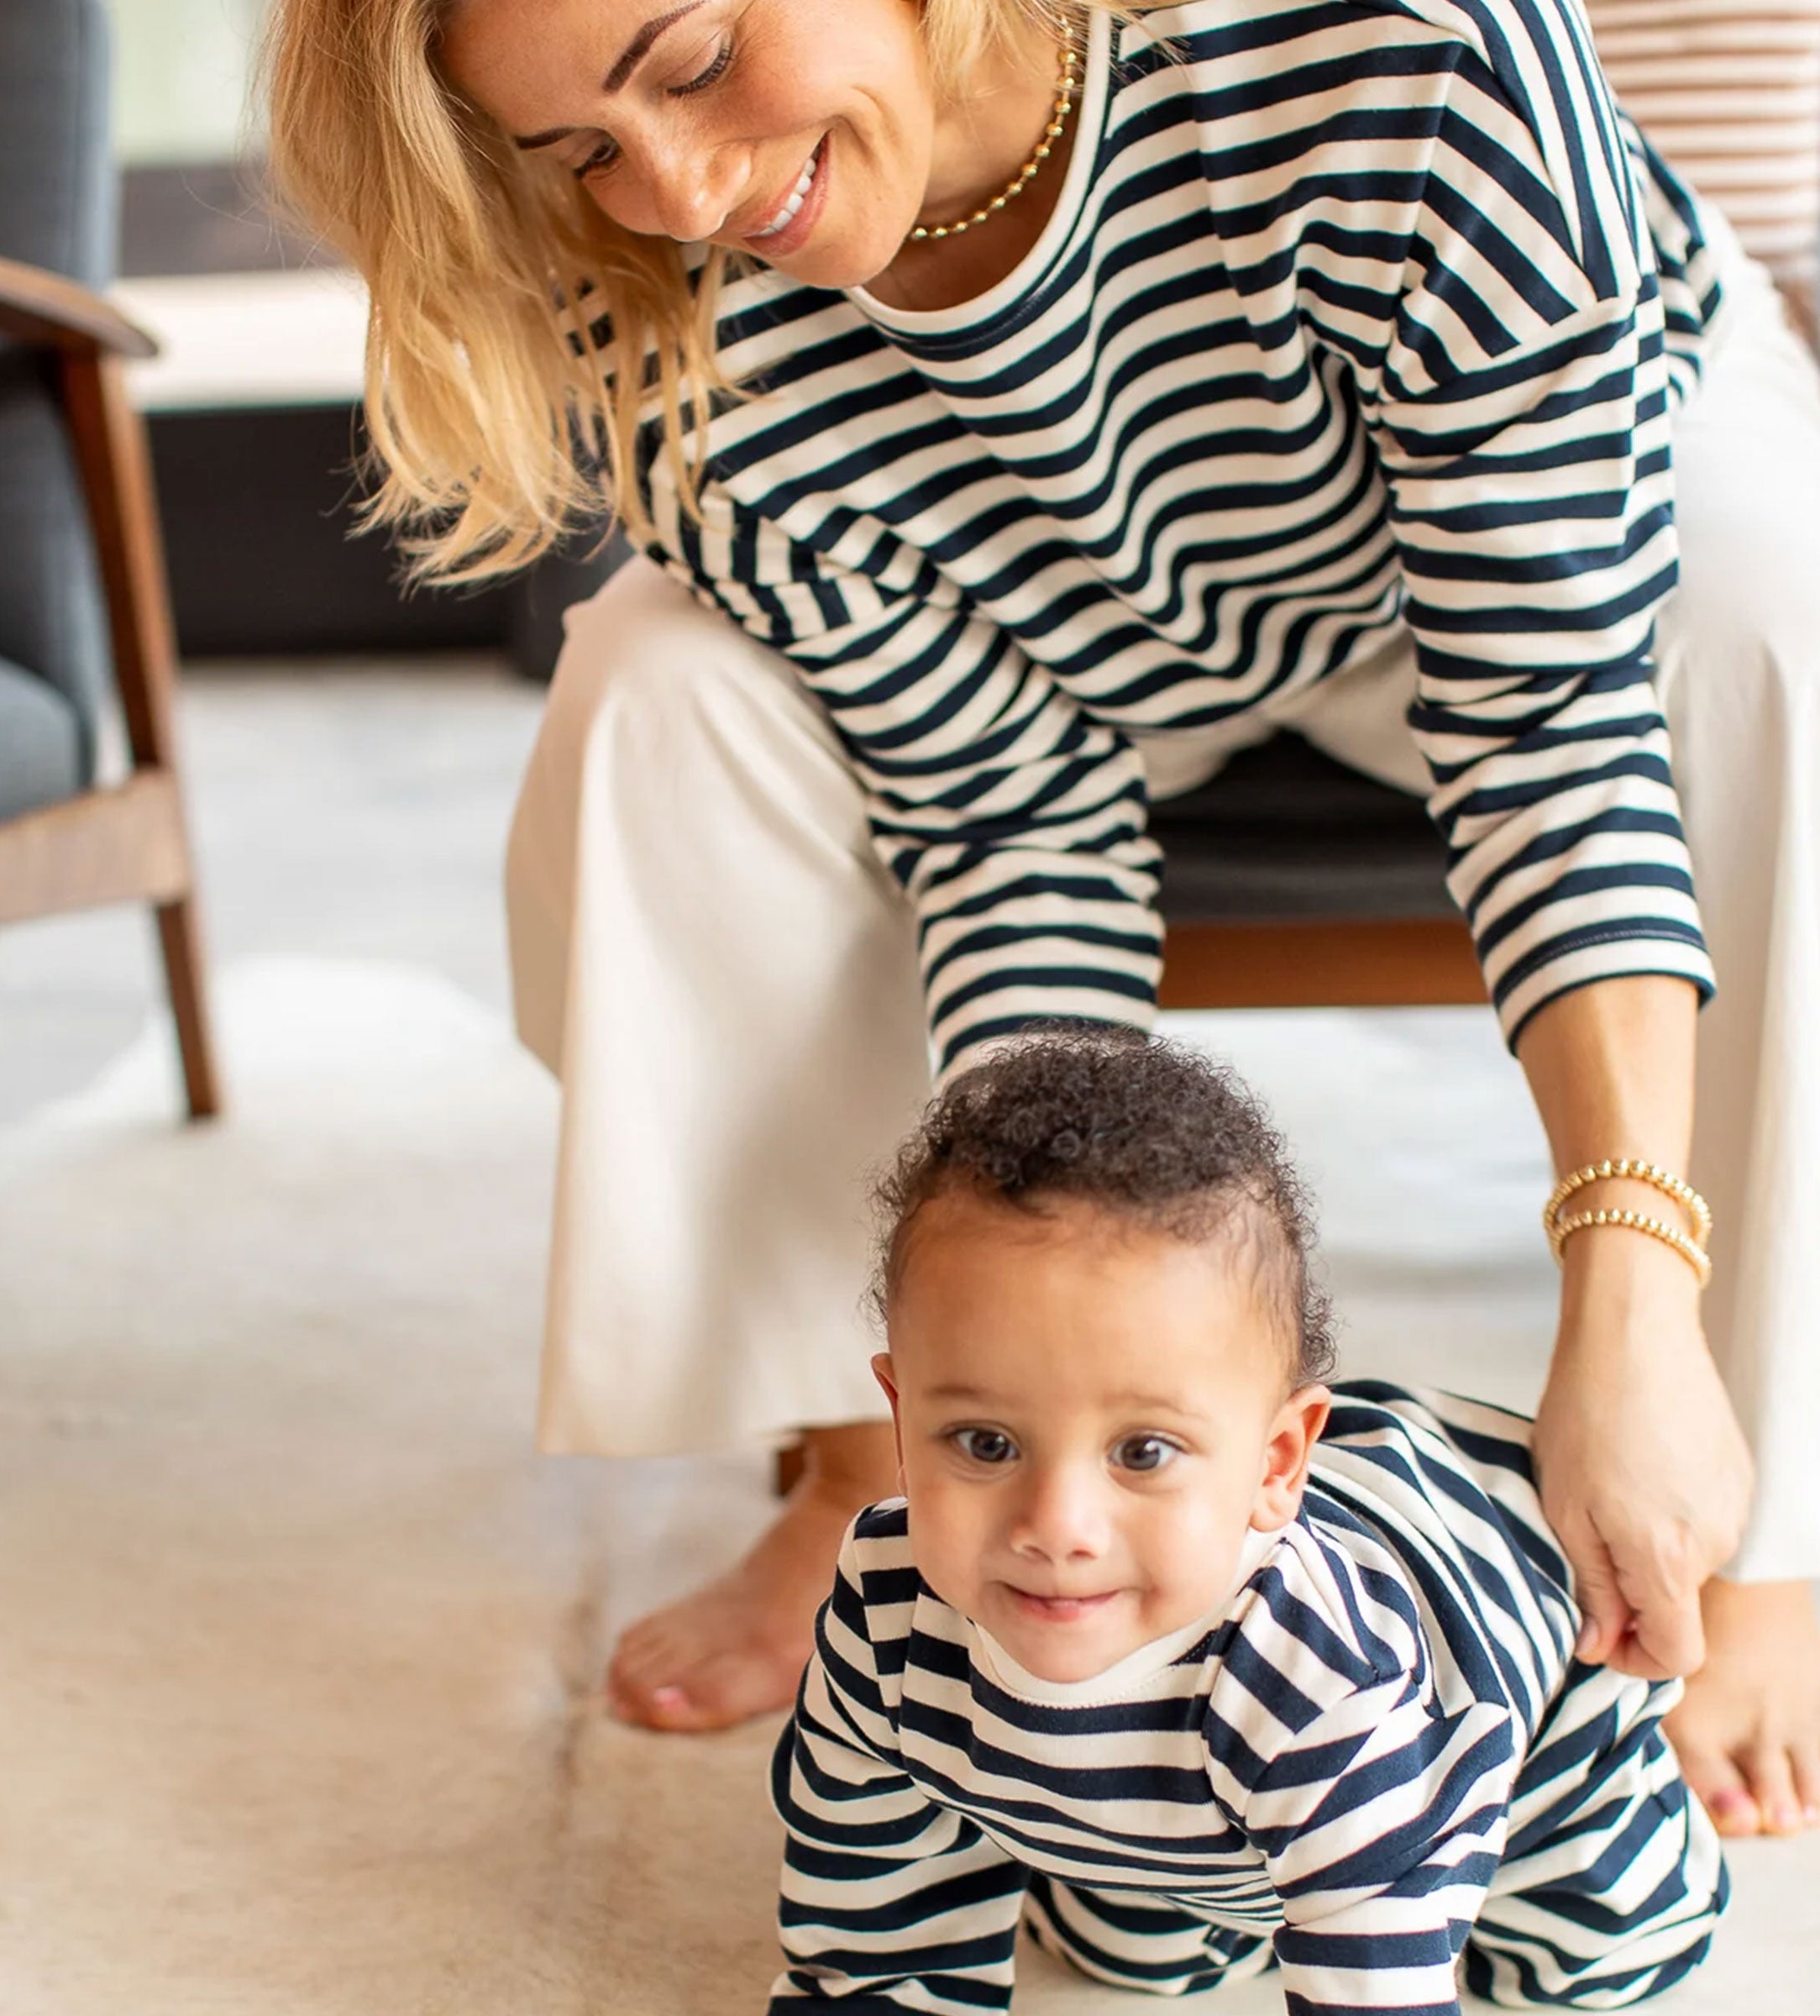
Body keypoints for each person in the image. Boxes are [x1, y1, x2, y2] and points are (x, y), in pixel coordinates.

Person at [261, 0, 1820, 1832]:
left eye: (689, 62)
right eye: (581, 148)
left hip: (1550, 519)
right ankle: (872, 1479)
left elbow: (1548, 716)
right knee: (649, 696)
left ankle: (1766, 1516)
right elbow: (1008, 811)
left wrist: (1621, 1296)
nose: (674, 188)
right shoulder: (650, 300)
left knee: (1777, 638)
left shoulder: (1404, 51)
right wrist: (1044, 1369)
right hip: (1085, 624)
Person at [768, 1026, 1726, 2013]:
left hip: (1514, 1728)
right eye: (984, 1444)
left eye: (1143, 1452)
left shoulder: (1317, 1675)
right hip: (1209, 1818)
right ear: (900, 1414)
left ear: (1276, 1464)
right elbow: (873, 1900)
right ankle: (1221, 1878)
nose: (1056, 1527)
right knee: (1135, 1954)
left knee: (1594, 1963)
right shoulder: (884, 1608)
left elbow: (1373, 1973)